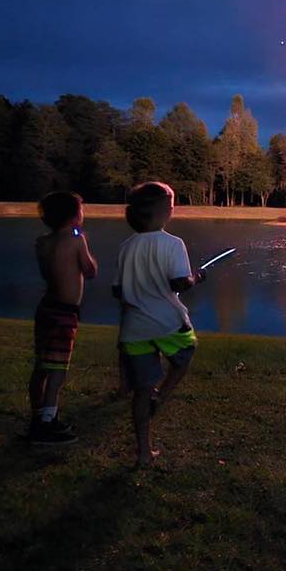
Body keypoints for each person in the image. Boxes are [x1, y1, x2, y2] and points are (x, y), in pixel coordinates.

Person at [112, 181, 203, 468]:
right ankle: (160, 397)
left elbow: (117, 290)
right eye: (171, 203)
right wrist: (195, 278)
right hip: (167, 323)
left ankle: (142, 452)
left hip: (134, 328)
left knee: (141, 389)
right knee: (186, 351)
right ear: (164, 211)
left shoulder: (126, 247)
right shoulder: (173, 244)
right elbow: (180, 283)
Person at [27, 191, 97, 445]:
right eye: (82, 209)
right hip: (65, 313)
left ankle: (37, 416)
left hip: (46, 309)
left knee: (42, 365)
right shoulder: (76, 240)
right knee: (58, 370)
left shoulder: (41, 242)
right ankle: (48, 423)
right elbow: (90, 271)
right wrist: (82, 241)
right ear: (74, 216)